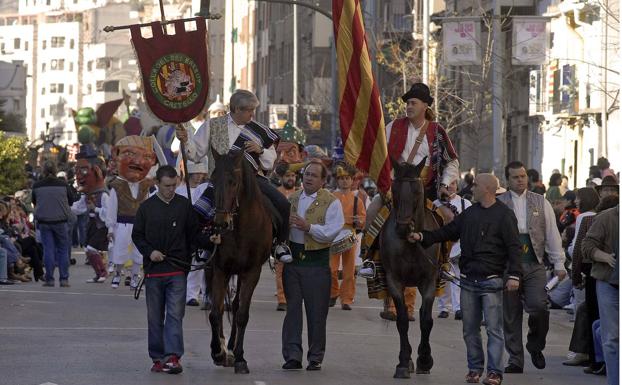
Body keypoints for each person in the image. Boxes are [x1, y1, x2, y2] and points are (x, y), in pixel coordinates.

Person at [410, 174, 522, 385]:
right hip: (468, 280)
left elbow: (514, 248)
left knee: (493, 330)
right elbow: (448, 231)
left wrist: (514, 275)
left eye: (475, 185)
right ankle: (474, 369)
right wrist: (423, 237)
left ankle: (494, 372)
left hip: (492, 281)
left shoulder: (505, 216)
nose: (471, 189)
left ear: (488, 189)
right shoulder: (470, 213)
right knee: (469, 329)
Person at [360, 82, 460, 317]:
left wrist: (445, 184)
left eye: (413, 102)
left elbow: (452, 161)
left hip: (426, 191)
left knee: (447, 219)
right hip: (396, 188)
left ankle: (443, 264)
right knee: (373, 212)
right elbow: (379, 155)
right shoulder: (393, 126)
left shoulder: (437, 131)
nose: (408, 106)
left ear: (425, 105)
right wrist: (384, 183)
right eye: (407, 103)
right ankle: (370, 260)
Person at [175, 89, 293, 263]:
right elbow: (195, 153)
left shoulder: (259, 131)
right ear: (237, 109)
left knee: (283, 204)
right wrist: (185, 140)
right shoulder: (212, 125)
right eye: (249, 110)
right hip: (221, 182)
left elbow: (270, 161)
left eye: (253, 110)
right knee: (197, 213)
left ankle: (279, 244)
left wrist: (260, 150)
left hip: (252, 180)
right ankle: (202, 246)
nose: (252, 114)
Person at [132, 165, 210, 374]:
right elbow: (137, 235)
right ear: (157, 184)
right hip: (154, 271)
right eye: (166, 186)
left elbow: (194, 234)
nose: (170, 190)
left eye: (174, 186)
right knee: (154, 317)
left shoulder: (184, 206)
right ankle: (158, 357)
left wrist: (210, 241)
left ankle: (173, 357)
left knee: (175, 315)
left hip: (177, 269)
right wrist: (150, 252)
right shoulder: (146, 208)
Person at [498, 161, 566, 373]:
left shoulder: (540, 201)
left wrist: (559, 263)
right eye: (516, 177)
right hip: (508, 264)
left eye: (523, 176)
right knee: (510, 313)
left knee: (538, 306)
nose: (521, 180)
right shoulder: (499, 203)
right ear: (507, 180)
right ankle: (515, 359)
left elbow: (552, 234)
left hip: (534, 262)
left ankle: (535, 345)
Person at [281, 160, 344, 371]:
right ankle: (292, 355)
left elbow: (332, 231)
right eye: (306, 174)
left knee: (316, 313)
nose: (308, 178)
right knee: (292, 312)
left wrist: (309, 227)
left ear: (323, 180)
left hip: (317, 263)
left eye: (313, 175)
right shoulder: (292, 198)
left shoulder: (332, 202)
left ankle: (315, 357)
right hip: (293, 262)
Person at [104, 135, 157, 289]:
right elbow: (112, 209)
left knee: (138, 253)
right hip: (122, 224)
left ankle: (135, 275)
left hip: (139, 225)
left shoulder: (146, 186)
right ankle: (118, 274)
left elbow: (148, 206)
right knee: (120, 250)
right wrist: (110, 228)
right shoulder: (117, 186)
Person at [582, 204, 618, 385]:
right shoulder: (606, 217)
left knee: (608, 333)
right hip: (609, 283)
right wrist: (605, 257)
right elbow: (587, 246)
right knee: (612, 339)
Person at [329, 161, 366, 310]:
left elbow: (363, 219)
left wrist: (360, 221)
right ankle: (332, 293)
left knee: (349, 270)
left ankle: (347, 299)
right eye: (342, 178)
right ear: (337, 180)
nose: (345, 181)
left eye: (347, 178)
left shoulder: (357, 199)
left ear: (352, 180)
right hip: (333, 235)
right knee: (331, 269)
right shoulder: (331, 197)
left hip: (350, 235)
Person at [32, 161, 75, 287]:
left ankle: (49, 279)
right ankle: (64, 279)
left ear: (43, 171)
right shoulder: (63, 184)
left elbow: (34, 201)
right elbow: (71, 201)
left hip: (44, 221)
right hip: (61, 221)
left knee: (48, 249)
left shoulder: (37, 185)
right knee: (63, 250)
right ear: (56, 170)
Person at [434, 178, 471, 320]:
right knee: (443, 278)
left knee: (458, 278)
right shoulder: (436, 204)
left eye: (453, 184)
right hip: (442, 245)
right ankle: (444, 308)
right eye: (447, 185)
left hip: (459, 246)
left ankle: (458, 308)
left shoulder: (465, 203)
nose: (450, 187)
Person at [174, 160, 211, 307]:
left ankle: (207, 295)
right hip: (187, 230)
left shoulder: (205, 188)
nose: (199, 176)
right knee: (194, 264)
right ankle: (191, 294)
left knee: (206, 264)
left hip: (204, 229)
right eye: (196, 173)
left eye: (201, 173)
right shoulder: (180, 190)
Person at [274, 162, 301, 311]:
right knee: (281, 269)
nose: (290, 178)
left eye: (292, 175)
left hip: (298, 235)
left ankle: (295, 298)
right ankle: (282, 299)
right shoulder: (276, 193)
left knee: (298, 269)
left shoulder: (301, 193)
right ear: (281, 178)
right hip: (282, 236)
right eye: (287, 176)